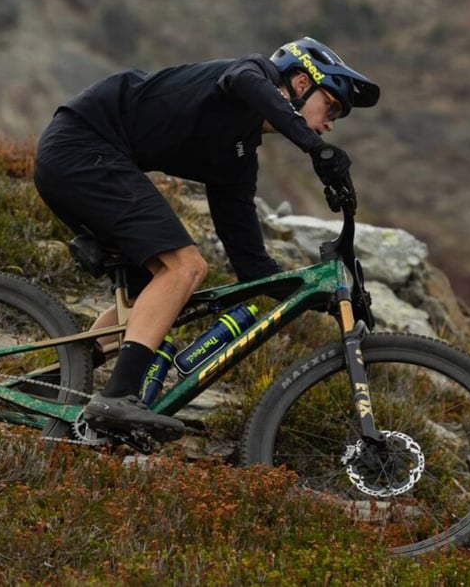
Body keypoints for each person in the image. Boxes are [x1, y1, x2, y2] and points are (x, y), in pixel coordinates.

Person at [33, 36, 379, 438]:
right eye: (332, 105)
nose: (331, 121)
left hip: (76, 159)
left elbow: (252, 264)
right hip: (84, 148)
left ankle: (47, 385)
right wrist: (314, 147)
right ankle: (117, 398)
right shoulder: (250, 76)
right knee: (185, 268)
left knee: (158, 296)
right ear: (301, 83)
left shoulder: (236, 158)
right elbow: (244, 81)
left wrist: (317, 297)